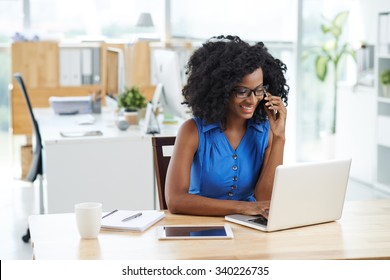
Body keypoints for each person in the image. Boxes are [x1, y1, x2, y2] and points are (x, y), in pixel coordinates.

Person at [165, 35, 289, 217]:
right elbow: (176, 201)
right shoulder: (192, 131)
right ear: (221, 90)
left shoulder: (265, 131)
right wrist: (242, 207)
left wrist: (279, 137)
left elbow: (266, 198)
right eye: (242, 91)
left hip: (248, 229)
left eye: (259, 90)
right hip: (199, 226)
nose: (252, 99)